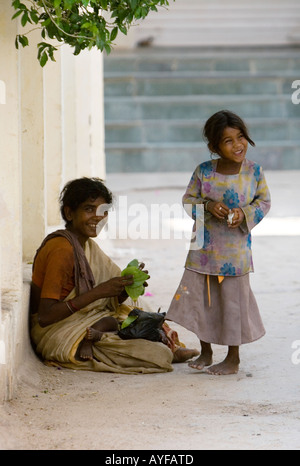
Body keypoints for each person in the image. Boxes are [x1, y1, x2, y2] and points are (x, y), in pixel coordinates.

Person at [30, 177, 198, 374]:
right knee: (156, 355)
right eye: (89, 209)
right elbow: (46, 317)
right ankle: (164, 349)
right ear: (69, 212)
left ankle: (171, 345)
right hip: (58, 331)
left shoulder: (86, 245)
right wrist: (100, 292)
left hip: (86, 319)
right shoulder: (61, 249)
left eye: (104, 211)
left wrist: (125, 289)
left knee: (139, 309)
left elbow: (107, 301)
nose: (97, 217)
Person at [166, 110, 271, 375]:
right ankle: (207, 351)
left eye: (241, 137)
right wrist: (208, 206)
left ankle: (233, 358)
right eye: (228, 141)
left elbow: (264, 201)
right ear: (214, 146)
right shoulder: (203, 172)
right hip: (203, 251)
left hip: (235, 253)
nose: (238, 145)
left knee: (233, 303)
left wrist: (244, 214)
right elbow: (189, 200)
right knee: (204, 300)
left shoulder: (253, 171)